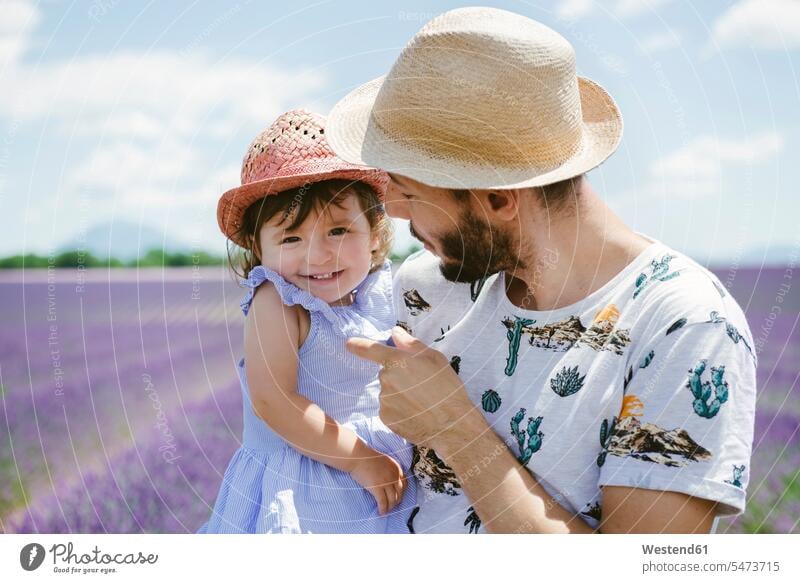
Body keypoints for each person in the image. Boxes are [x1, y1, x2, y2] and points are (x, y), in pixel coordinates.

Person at [325, 7, 757, 533]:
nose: (391, 210)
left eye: (411, 192)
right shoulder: (425, 285)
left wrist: (457, 429)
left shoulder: (685, 327)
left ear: (499, 199)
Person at [198, 109, 415, 533]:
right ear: (258, 249)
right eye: (291, 238)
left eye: (338, 232)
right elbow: (273, 400)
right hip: (304, 487)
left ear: (374, 234)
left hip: (380, 474)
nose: (317, 256)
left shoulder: (379, 295)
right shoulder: (278, 302)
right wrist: (358, 458)